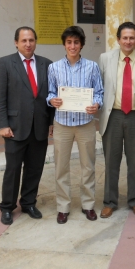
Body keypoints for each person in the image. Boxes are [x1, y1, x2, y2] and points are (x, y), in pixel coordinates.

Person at [0, 26, 54, 225]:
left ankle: (28, 202)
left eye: (31, 40)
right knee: (13, 169)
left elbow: (50, 96)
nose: (28, 44)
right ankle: (7, 207)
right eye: (24, 40)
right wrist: (2, 124)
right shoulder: (5, 63)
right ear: (16, 42)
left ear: (36, 42)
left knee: (35, 168)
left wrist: (51, 122)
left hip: (39, 127)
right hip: (14, 127)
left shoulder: (47, 64)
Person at [47, 26, 104, 224]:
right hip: (62, 124)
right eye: (69, 42)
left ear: (82, 45)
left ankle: (88, 205)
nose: (73, 46)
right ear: (64, 44)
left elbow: (99, 92)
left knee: (88, 166)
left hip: (85, 124)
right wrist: (52, 100)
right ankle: (63, 207)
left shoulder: (92, 67)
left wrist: (96, 104)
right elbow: (50, 92)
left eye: (76, 42)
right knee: (61, 167)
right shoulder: (54, 68)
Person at [98, 22, 135, 218]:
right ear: (118, 39)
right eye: (124, 37)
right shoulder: (105, 58)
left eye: (132, 38)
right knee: (111, 160)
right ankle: (110, 201)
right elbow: (99, 85)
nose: (128, 41)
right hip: (113, 115)